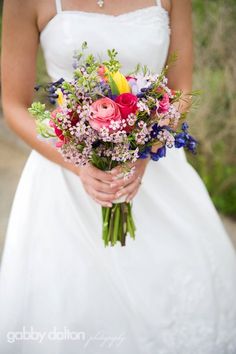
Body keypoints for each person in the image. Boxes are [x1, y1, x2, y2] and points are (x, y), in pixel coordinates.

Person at [1, 0, 236, 353]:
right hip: (65, 178)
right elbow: (14, 104)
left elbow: (181, 87)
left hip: (154, 170)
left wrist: (144, 148)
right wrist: (80, 163)